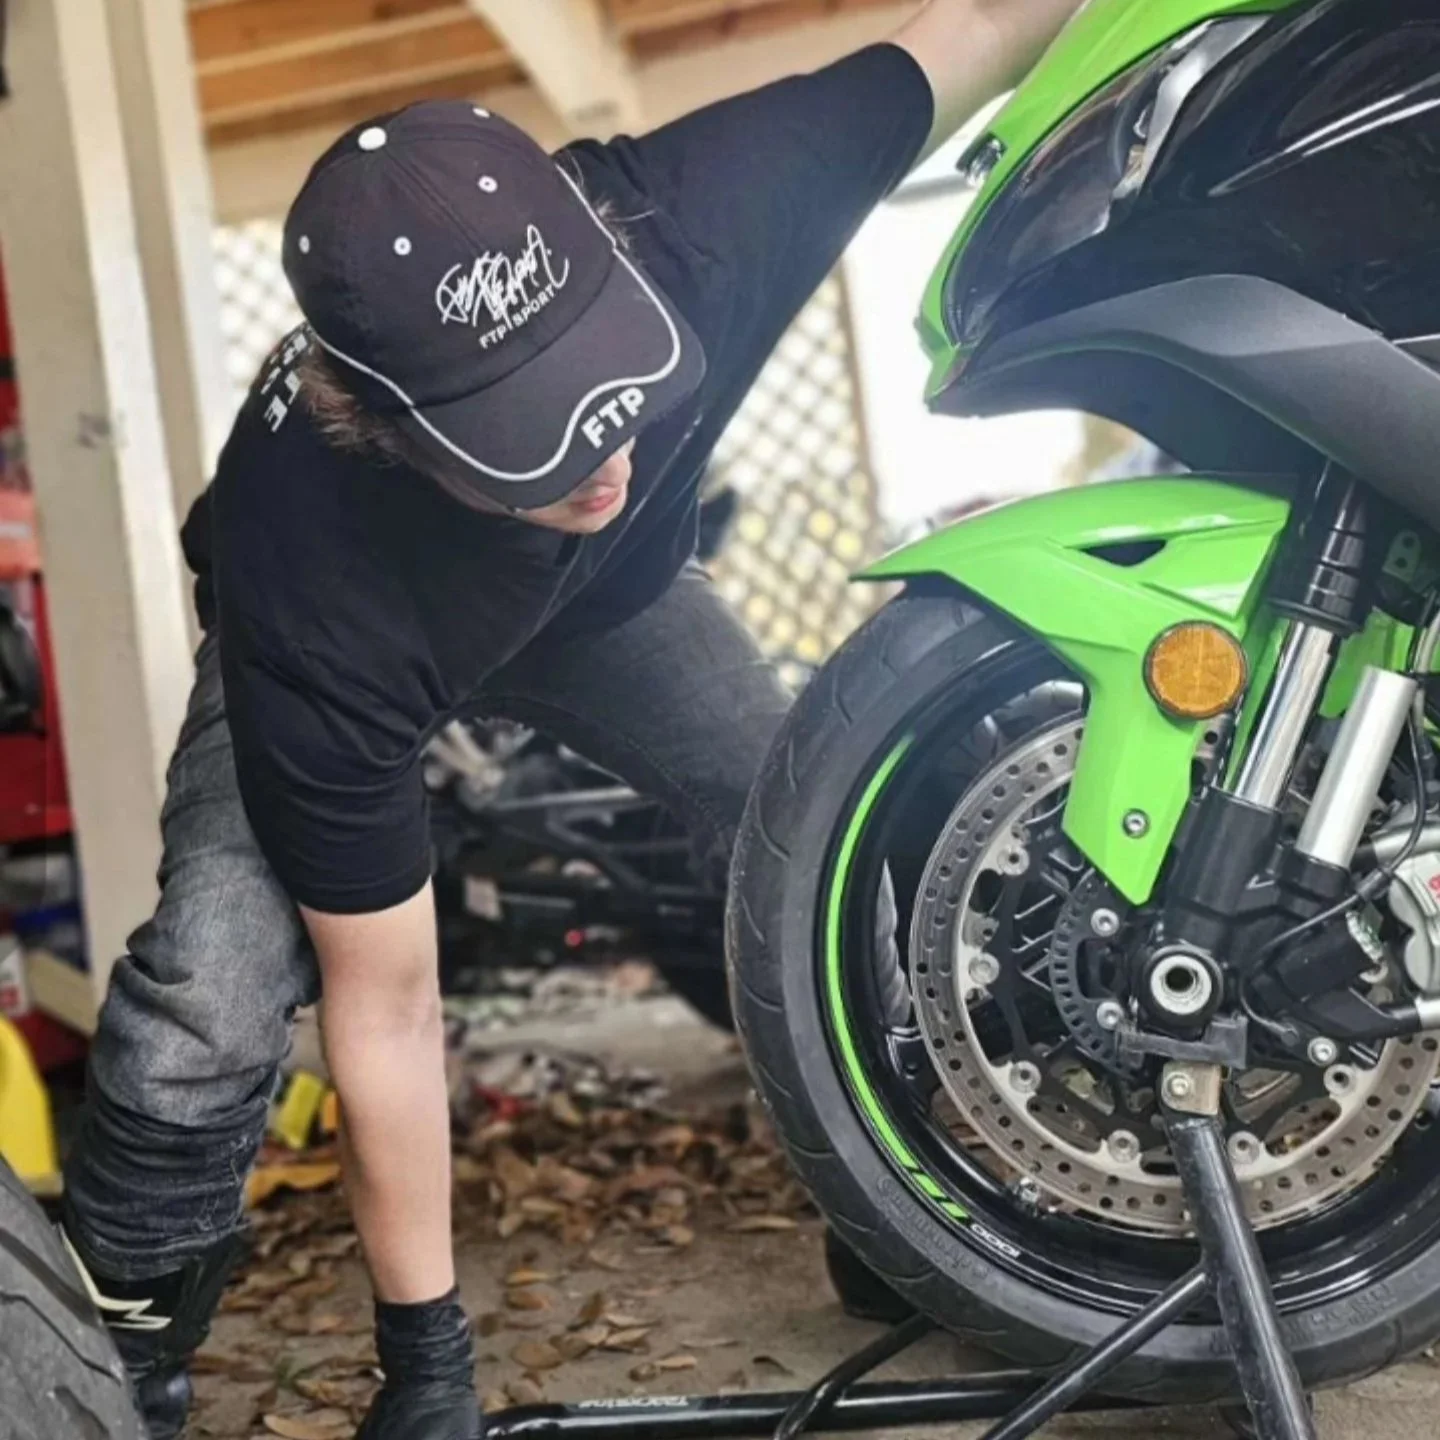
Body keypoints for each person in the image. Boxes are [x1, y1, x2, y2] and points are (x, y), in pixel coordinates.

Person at [58, 3, 1085, 1436]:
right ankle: (106, 1357)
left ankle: (885, 1207)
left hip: (610, 606)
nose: (604, 451)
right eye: (539, 427)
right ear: (389, 427)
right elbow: (393, 1004)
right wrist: (427, 1359)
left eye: (612, 390)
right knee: (210, 994)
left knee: (815, 841)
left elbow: (977, 24)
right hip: (379, 633)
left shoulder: (711, 216)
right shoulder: (320, 584)